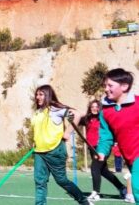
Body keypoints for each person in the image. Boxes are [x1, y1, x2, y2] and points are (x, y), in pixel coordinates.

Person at [31, 85, 91, 205]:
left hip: (55, 151)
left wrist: (67, 132)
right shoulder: (37, 112)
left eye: (41, 94)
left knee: (61, 180)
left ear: (48, 95)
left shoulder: (55, 109)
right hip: (39, 152)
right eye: (37, 94)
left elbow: (77, 114)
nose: (38, 97)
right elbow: (38, 130)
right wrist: (35, 142)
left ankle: (83, 201)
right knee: (39, 182)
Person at [96, 68, 139, 204]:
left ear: (124, 86)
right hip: (130, 157)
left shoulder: (137, 103)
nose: (106, 89)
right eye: (105, 85)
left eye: (110, 85)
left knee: (137, 186)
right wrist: (102, 151)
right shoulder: (106, 112)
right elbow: (106, 136)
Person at [78, 100, 126, 202]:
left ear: (100, 108)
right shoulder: (87, 119)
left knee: (95, 168)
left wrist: (116, 141)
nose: (94, 108)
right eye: (92, 107)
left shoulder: (104, 119)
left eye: (96, 107)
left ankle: (96, 192)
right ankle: (122, 188)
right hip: (92, 148)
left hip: (102, 147)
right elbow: (76, 119)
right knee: (104, 171)